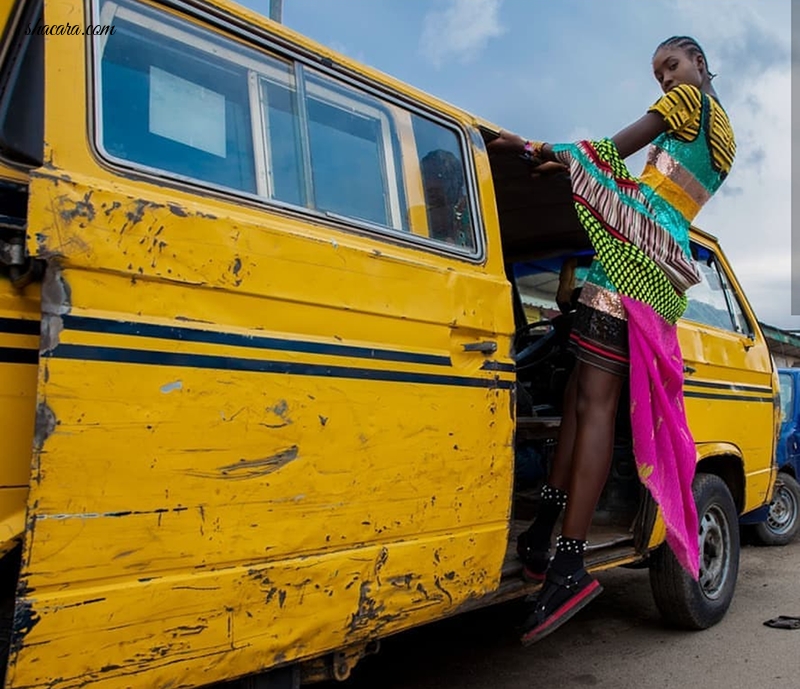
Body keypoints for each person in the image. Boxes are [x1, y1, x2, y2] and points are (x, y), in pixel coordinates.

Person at [488, 35, 736, 645]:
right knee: (579, 397)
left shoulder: (689, 106)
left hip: (634, 259)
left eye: (672, 66)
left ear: (699, 64)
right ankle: (545, 532)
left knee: (592, 405)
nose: (665, 80)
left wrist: (540, 149)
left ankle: (568, 562)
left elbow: (613, 153)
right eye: (658, 73)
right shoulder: (726, 136)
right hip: (659, 260)